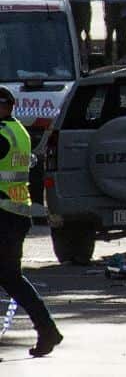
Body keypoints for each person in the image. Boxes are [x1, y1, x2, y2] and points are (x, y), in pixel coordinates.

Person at [0, 87, 63, 356]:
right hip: (16, 212)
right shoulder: (19, 131)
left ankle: (48, 330)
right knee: (12, 279)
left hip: (3, 214)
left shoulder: (2, 133)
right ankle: (47, 330)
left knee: (11, 278)